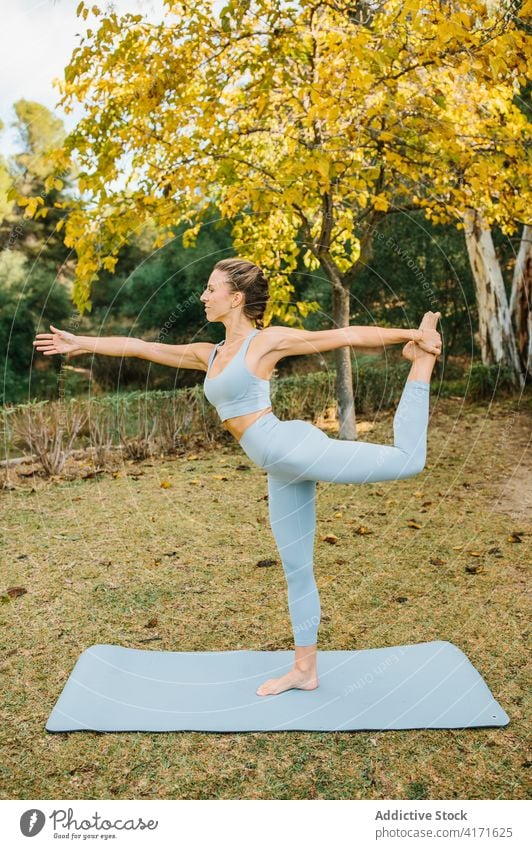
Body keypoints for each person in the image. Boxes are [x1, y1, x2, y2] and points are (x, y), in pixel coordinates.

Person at [33, 257, 442, 698]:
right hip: (279, 465)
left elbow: (342, 336)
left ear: (236, 298)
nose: (204, 297)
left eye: (211, 289)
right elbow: (140, 347)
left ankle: (421, 364)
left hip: (291, 448)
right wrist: (82, 343)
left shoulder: (267, 343)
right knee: (297, 569)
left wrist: (414, 337)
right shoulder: (207, 353)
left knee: (408, 460)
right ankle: (305, 670)